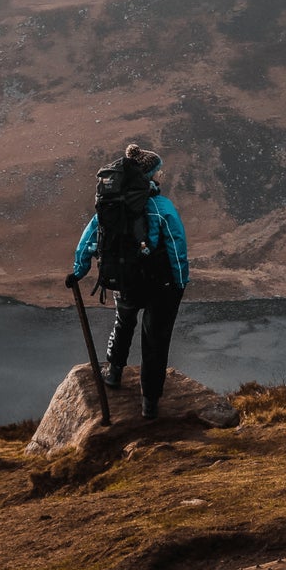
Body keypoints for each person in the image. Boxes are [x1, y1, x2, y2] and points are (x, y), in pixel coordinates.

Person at [66, 144, 189, 419]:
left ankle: (113, 373)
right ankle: (150, 402)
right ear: (148, 176)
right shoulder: (162, 208)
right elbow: (176, 248)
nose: (161, 175)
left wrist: (78, 271)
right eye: (158, 171)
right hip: (160, 286)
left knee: (123, 322)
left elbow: (88, 240)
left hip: (125, 281)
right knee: (155, 340)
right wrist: (181, 282)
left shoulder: (111, 207)